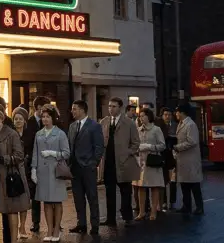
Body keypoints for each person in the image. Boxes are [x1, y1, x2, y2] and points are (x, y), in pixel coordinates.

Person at [0, 104, 29, 243]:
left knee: (11, 211)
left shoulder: (11, 134)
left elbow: (19, 156)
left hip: (8, 177)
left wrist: (3, 159)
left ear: (3, 118)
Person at [31, 106, 69, 242]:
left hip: (55, 171)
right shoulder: (39, 134)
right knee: (46, 202)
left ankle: (56, 230)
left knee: (57, 202)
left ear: (53, 118)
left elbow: (66, 153)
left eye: (47, 117)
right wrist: (33, 169)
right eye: (43, 117)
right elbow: (35, 153)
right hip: (42, 171)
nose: (45, 119)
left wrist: (53, 153)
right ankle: (49, 230)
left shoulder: (60, 134)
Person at [99, 98, 139, 227]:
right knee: (109, 191)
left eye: (114, 106)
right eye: (109, 106)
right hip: (108, 162)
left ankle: (127, 216)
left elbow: (136, 143)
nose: (111, 109)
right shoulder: (104, 122)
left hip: (123, 162)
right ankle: (110, 219)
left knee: (125, 191)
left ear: (120, 108)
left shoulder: (129, 123)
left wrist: (127, 153)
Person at [67, 100, 103, 235]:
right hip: (74, 167)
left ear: (82, 110)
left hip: (88, 167)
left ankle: (95, 225)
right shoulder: (72, 126)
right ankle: (81, 223)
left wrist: (94, 163)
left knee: (92, 196)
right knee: (78, 197)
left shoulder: (94, 126)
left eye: (74, 109)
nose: (72, 111)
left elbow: (99, 147)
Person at [11, 107, 40, 236]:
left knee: (25, 200)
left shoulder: (30, 134)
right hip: (13, 171)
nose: (18, 121)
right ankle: (15, 227)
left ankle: (22, 226)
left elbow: (34, 150)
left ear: (25, 120)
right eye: (16, 119)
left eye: (20, 118)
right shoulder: (10, 134)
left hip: (27, 171)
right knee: (14, 200)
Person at [133, 107, 166, 221]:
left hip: (152, 161)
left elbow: (162, 145)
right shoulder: (138, 129)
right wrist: (137, 149)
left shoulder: (156, 130)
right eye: (140, 116)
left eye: (143, 116)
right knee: (140, 187)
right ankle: (142, 212)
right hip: (141, 162)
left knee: (154, 187)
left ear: (149, 117)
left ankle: (153, 212)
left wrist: (150, 147)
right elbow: (134, 143)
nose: (141, 118)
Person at [174, 103, 205, 215]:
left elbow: (192, 141)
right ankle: (186, 206)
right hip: (183, 159)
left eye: (177, 112)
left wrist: (177, 147)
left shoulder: (190, 125)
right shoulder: (181, 124)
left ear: (182, 113)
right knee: (184, 184)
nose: (175, 114)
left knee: (194, 185)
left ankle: (199, 207)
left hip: (190, 159)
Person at [161, 107, 178, 211]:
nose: (167, 117)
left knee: (173, 181)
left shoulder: (176, 126)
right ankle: (163, 201)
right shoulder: (159, 127)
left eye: (169, 115)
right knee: (163, 180)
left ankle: (172, 202)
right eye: (165, 114)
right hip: (163, 155)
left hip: (173, 155)